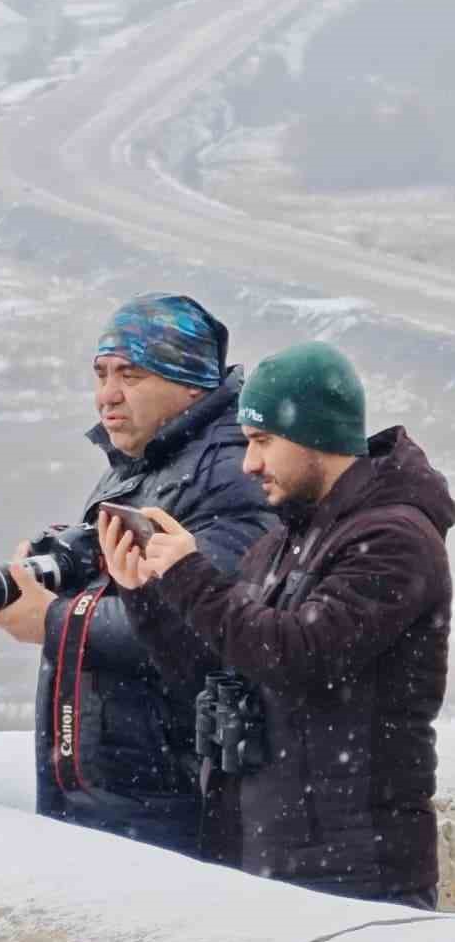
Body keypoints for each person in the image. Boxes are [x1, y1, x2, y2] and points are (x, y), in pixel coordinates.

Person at [101, 339, 453, 907]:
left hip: (356, 873)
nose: (249, 464)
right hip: (262, 858)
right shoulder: (278, 545)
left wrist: (190, 574)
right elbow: (218, 672)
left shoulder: (394, 541)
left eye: (263, 441)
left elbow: (301, 655)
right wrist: (146, 593)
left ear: (318, 437)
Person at [0, 293, 274, 854]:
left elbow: (202, 622)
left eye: (131, 375)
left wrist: (51, 621)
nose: (107, 395)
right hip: (114, 790)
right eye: (101, 373)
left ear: (189, 383)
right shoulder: (147, 466)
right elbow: (127, 590)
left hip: (170, 798)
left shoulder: (232, 472)